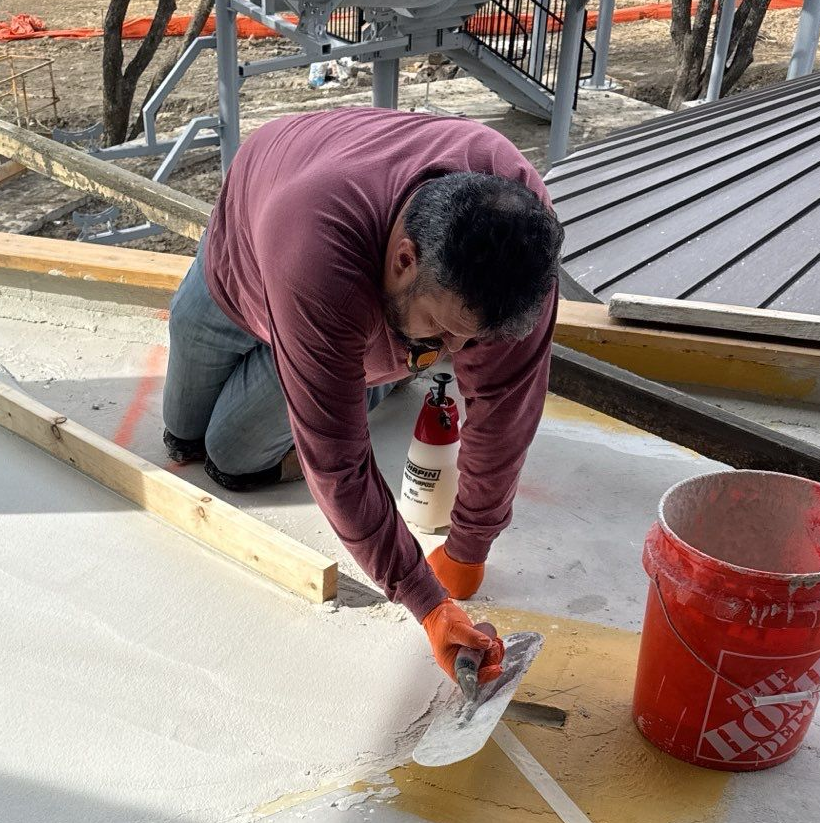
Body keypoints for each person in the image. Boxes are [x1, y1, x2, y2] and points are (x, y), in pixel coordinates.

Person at [162, 107, 564, 681]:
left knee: (231, 460)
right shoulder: (315, 239)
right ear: (405, 259)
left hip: (333, 309)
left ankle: (366, 374)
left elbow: (507, 404)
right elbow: (339, 461)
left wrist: (470, 544)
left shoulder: (519, 245)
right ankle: (367, 382)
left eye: (468, 340)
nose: (454, 352)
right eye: (444, 330)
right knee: (181, 439)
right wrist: (425, 601)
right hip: (246, 256)